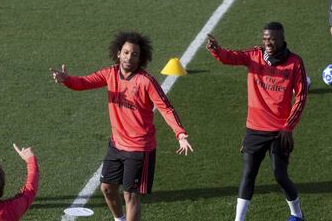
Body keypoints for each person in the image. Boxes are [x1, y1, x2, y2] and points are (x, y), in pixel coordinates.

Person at [50, 31, 193, 221]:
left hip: (139, 149)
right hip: (117, 145)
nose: (129, 57)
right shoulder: (110, 74)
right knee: (107, 188)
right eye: (126, 52)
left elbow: (166, 109)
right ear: (118, 53)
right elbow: (84, 83)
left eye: (134, 54)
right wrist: (66, 79)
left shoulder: (146, 81)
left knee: (130, 195)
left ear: (140, 58)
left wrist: (180, 134)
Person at [206, 22, 307, 221]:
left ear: (282, 38)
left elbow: (301, 96)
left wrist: (288, 127)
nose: (268, 42)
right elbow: (231, 58)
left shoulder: (295, 62)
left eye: (272, 39)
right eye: (265, 38)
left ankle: (297, 214)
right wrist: (216, 50)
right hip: (255, 128)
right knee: (248, 173)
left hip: (280, 130)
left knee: (279, 174)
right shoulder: (254, 55)